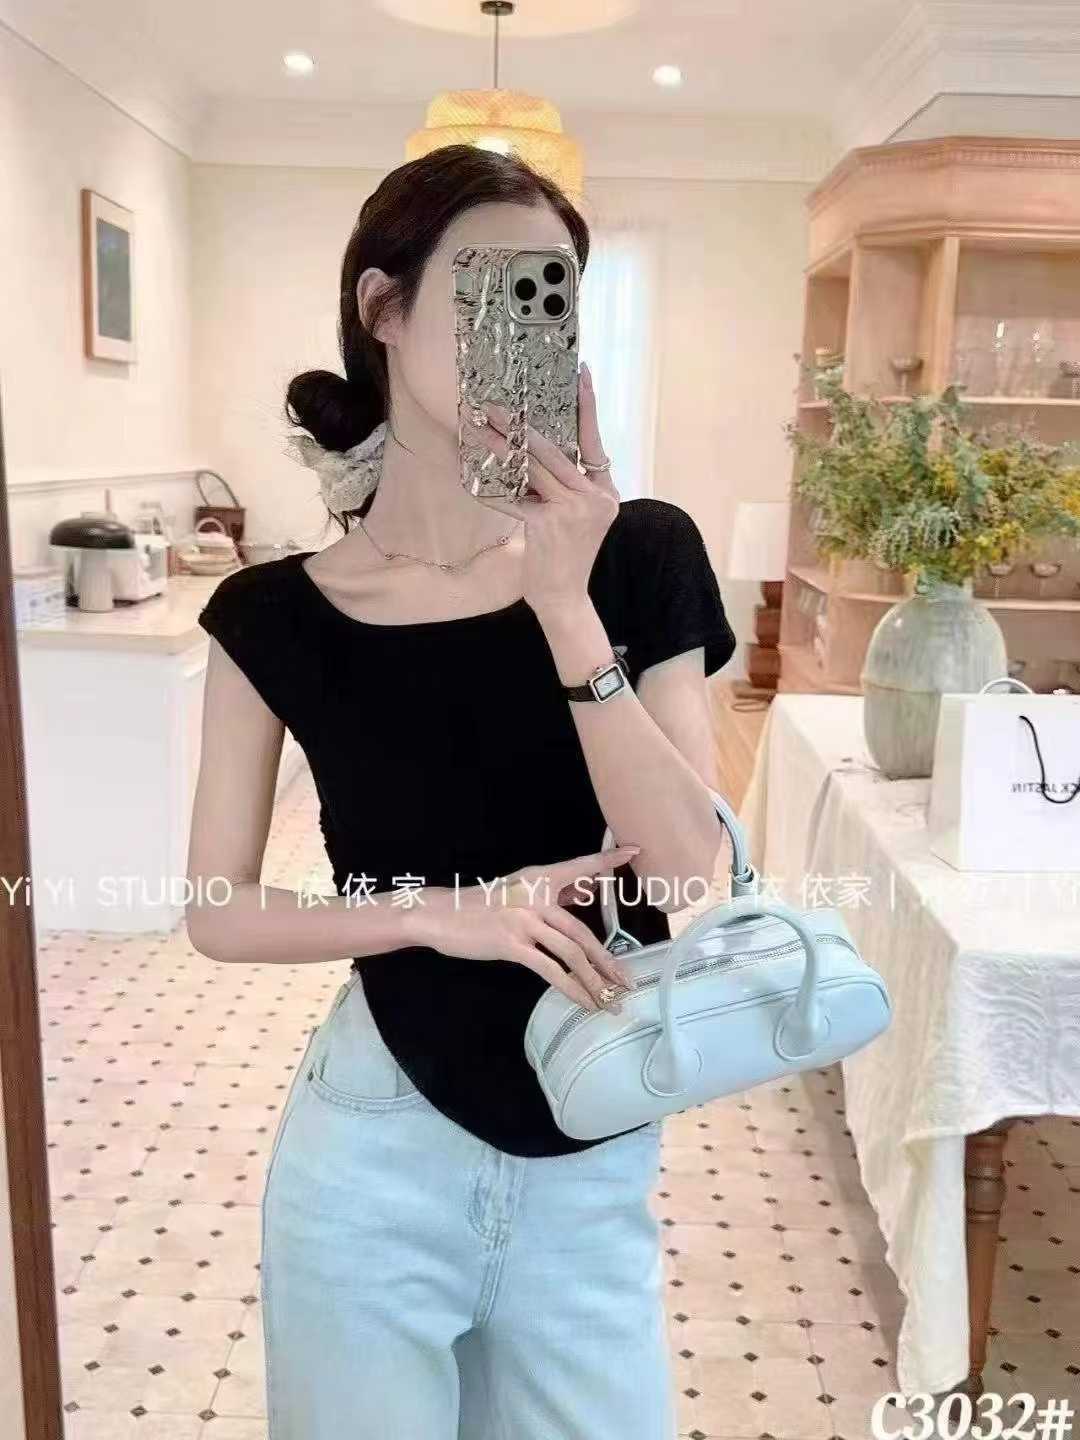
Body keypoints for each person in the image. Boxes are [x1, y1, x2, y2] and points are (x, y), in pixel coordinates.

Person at [186, 143, 736, 1440]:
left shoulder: (638, 555)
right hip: (372, 1140)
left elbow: (691, 874)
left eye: (553, 299)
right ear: (383, 306)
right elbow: (216, 910)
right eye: (493, 287)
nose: (523, 331)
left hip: (592, 1128)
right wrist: (443, 913)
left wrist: (565, 605)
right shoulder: (272, 616)